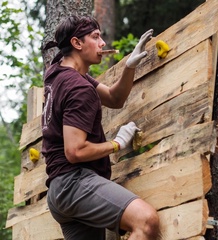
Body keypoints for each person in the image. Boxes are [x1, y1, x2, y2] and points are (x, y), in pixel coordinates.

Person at [42, 15, 160, 240]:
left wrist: (128, 66)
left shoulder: (57, 74)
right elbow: (75, 151)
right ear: (77, 43)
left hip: (59, 191)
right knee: (146, 221)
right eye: (95, 37)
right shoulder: (78, 87)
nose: (103, 44)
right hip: (74, 182)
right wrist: (116, 144)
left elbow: (115, 99)